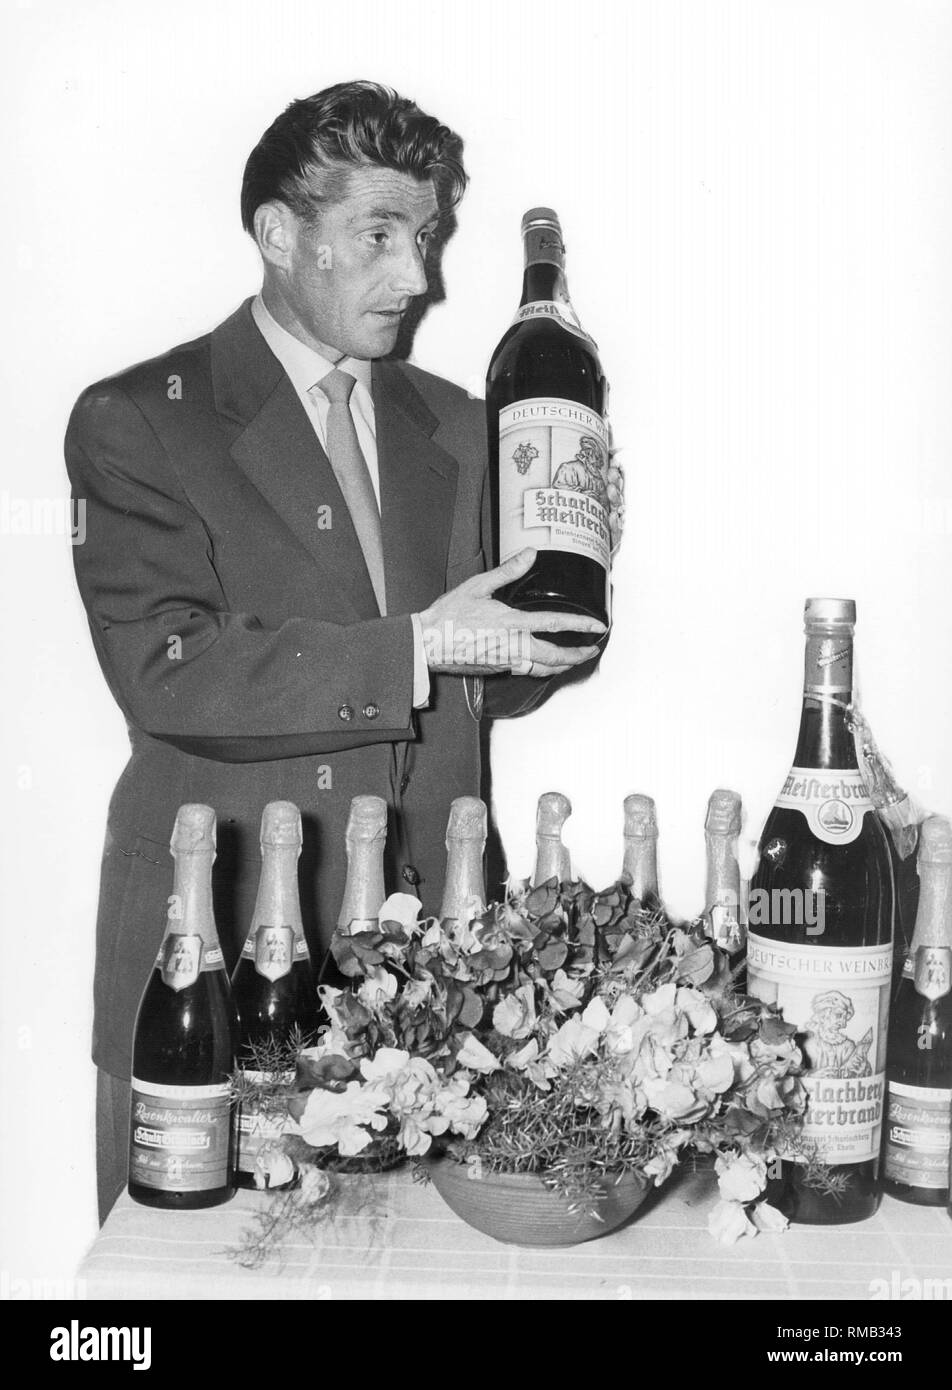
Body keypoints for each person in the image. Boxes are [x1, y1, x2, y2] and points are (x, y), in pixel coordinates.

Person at [65, 80, 623, 1221]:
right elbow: (169, 666)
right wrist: (426, 641)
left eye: (423, 236)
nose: (418, 277)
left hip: (428, 985)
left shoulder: (459, 423)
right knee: (191, 1280)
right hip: (213, 959)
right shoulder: (142, 418)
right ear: (279, 234)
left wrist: (545, 629)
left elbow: (467, 683)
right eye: (379, 234)